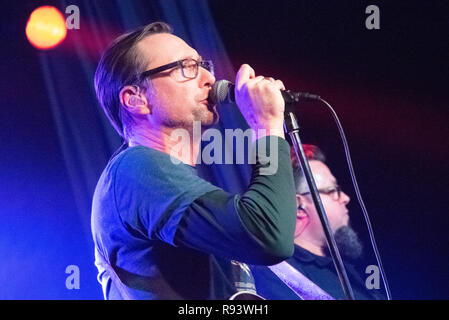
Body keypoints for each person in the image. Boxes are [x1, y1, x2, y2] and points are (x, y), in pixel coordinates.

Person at [91, 21, 297, 299]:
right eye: (186, 67)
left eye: (203, 65)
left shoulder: (171, 182)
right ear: (136, 100)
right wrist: (267, 127)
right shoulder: (134, 169)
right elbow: (268, 237)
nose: (209, 79)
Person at [250, 145, 385, 299]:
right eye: (332, 190)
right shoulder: (273, 271)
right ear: (299, 206)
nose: (345, 198)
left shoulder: (350, 273)